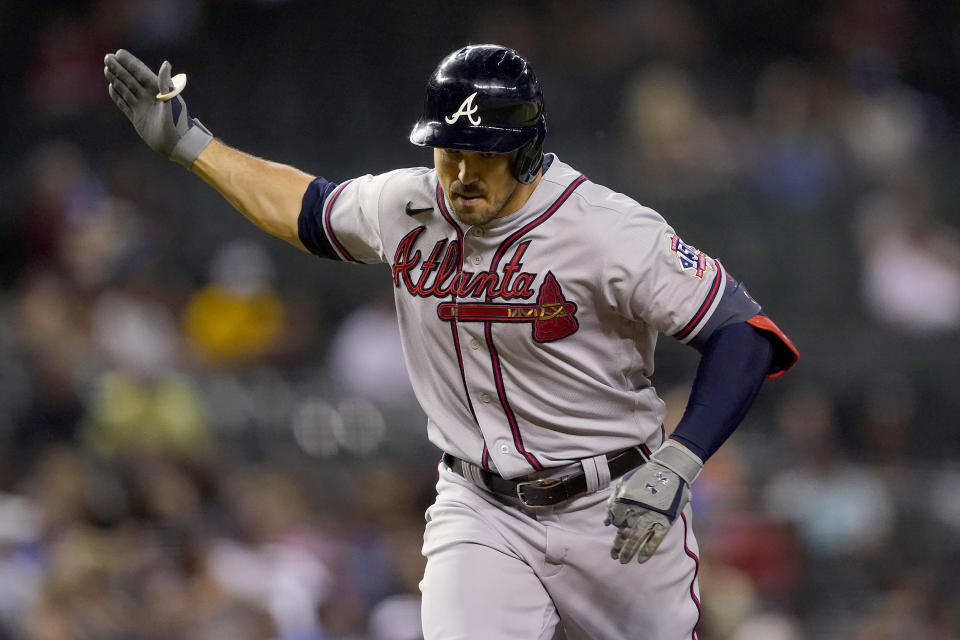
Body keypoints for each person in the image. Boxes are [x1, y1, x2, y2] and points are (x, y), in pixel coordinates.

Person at [104, 44, 798, 640]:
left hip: (614, 505)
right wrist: (194, 147)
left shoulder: (610, 229)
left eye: (483, 153)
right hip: (479, 506)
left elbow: (744, 335)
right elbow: (306, 209)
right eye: (449, 150)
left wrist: (679, 460)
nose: (462, 172)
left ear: (526, 148)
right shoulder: (406, 205)